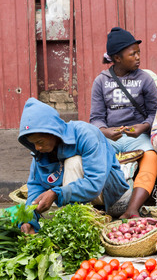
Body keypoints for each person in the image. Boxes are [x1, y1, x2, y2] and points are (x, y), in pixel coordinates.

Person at [18, 98, 131, 234]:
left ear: (53, 132)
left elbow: (95, 184)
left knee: (73, 161)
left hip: (111, 198)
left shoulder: (86, 134)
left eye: (40, 141)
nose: (37, 147)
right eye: (33, 143)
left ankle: (76, 226)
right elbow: (35, 186)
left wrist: (55, 193)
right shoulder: (39, 152)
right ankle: (75, 222)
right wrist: (28, 219)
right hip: (76, 199)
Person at [90, 27, 157, 218]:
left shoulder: (145, 79)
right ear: (117, 58)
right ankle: (100, 207)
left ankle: (132, 209)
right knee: (94, 159)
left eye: (138, 53)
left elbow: (156, 113)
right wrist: (105, 132)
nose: (138, 57)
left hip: (137, 136)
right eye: (133, 54)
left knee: (151, 157)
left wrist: (143, 127)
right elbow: (95, 118)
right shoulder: (101, 82)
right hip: (111, 137)